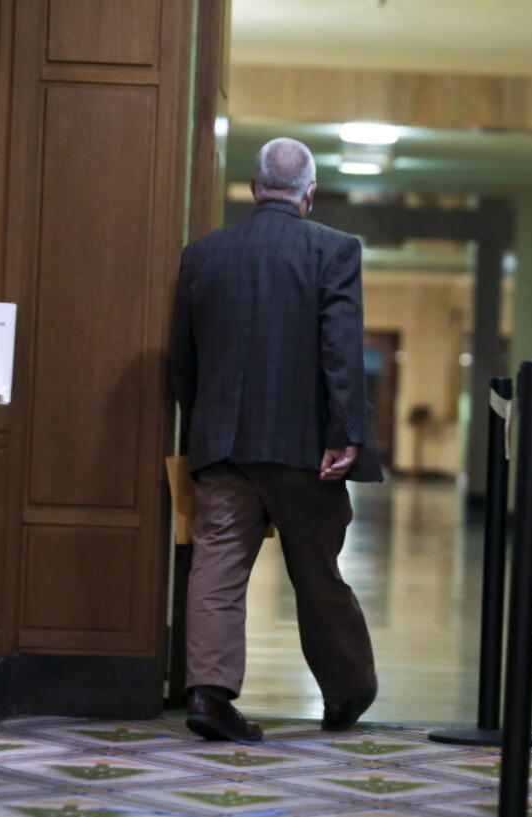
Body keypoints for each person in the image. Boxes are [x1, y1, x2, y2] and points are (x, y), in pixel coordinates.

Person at [168, 137, 380, 742]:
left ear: (256, 189)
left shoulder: (203, 254)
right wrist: (345, 434)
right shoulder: (334, 249)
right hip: (303, 449)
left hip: (223, 443)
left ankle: (208, 695)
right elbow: (341, 348)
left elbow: (183, 357)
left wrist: (203, 423)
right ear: (308, 194)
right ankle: (346, 693)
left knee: (216, 567)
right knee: (316, 572)